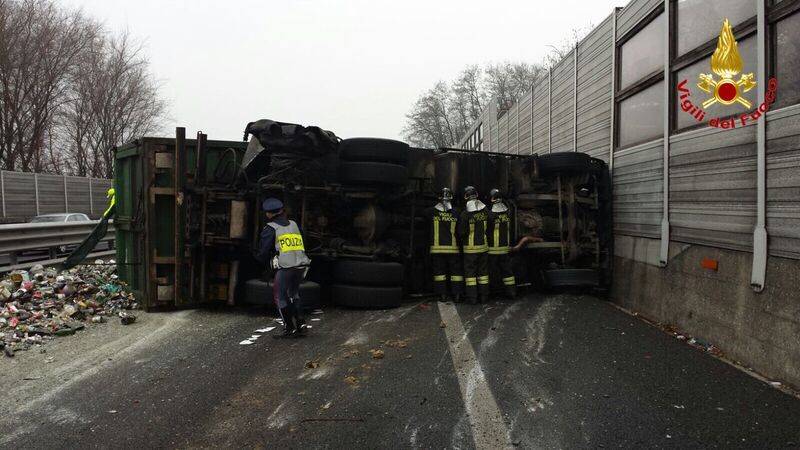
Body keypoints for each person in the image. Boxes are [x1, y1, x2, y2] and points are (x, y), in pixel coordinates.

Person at [255, 198, 312, 338]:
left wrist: (260, 261)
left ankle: (289, 328)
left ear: (269, 214)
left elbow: (264, 251)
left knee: (280, 297)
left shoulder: (271, 228)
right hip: (300, 265)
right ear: (281, 211)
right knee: (294, 294)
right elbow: (304, 242)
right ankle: (301, 324)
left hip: (285, 267)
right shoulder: (294, 225)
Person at [427, 187, 464, 302]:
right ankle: (457, 295)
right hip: (453, 249)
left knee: (439, 273)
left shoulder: (431, 211)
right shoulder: (457, 212)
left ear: (439, 197)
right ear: (451, 197)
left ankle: (442, 295)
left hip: (437, 249)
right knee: (456, 273)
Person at [457, 186, 489, 304]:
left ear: (465, 197)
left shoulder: (465, 214)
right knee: (483, 274)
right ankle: (484, 297)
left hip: (470, 250)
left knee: (470, 276)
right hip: (483, 248)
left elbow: (461, 232)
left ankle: (472, 298)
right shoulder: (485, 211)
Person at [487, 188, 516, 299]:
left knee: (492, 271)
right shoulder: (507, 213)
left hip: (493, 249)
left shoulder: (490, 215)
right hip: (505, 248)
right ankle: (511, 292)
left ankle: (492, 292)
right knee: (507, 271)